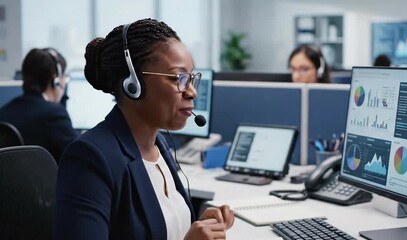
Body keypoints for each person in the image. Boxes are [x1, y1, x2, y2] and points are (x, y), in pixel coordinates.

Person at [54, 18, 234, 240]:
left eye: (191, 79)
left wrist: (195, 226)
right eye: (179, 78)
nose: (191, 92)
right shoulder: (90, 158)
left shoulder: (160, 146)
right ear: (133, 84)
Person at [0, 48, 77, 162]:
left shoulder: (3, 112)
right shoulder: (55, 115)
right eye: (64, 77)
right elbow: (79, 156)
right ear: (55, 80)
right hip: (47, 180)